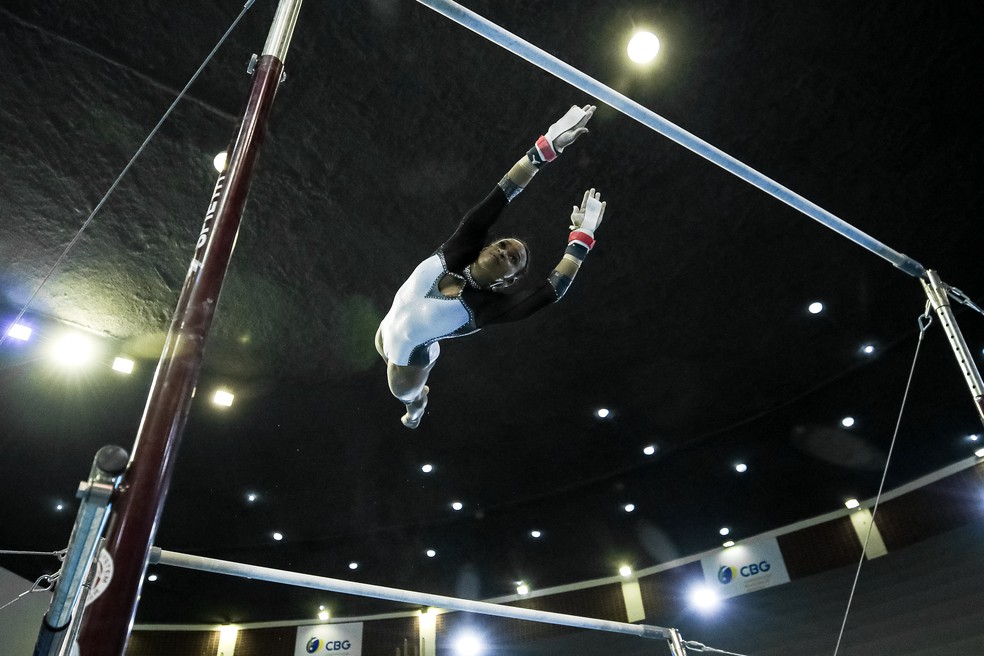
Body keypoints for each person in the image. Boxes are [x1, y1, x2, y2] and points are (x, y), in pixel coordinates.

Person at [375, 105, 607, 428]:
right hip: (385, 331)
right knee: (402, 335)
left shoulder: (483, 309)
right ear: (485, 245)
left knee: (414, 400)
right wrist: (547, 147)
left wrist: (582, 238)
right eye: (503, 246)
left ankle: (415, 410)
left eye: (513, 260)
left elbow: (550, 291)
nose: (504, 253)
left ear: (505, 282)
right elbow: (502, 193)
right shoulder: (458, 249)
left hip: (405, 369)